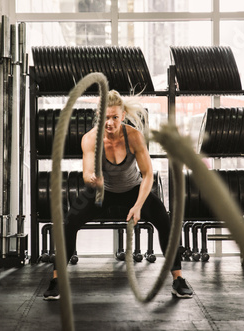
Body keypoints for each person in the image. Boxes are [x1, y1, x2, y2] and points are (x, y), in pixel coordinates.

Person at [43, 90, 193, 300]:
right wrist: (93, 180)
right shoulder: (89, 140)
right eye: (105, 117)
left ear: (122, 116)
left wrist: (139, 205)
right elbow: (87, 173)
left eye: (114, 117)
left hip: (133, 190)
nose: (110, 122)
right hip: (101, 192)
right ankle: (57, 280)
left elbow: (148, 173)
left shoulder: (134, 136)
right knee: (69, 222)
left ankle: (178, 279)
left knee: (164, 218)